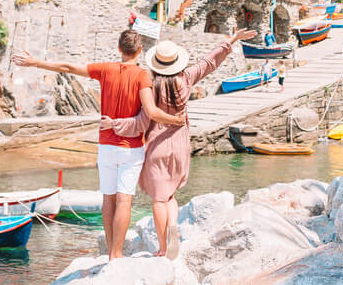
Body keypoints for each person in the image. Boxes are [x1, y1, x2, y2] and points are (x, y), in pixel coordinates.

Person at [13, 30, 184, 260]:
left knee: (108, 200)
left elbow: (68, 68)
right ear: (140, 50)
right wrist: (175, 121)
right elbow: (152, 112)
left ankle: (112, 251)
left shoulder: (105, 69)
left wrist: (36, 63)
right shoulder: (143, 76)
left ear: (119, 48)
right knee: (124, 200)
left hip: (106, 146)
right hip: (131, 148)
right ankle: (116, 253)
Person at [104, 28, 257, 259]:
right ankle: (173, 225)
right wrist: (232, 40)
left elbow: (141, 121)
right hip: (181, 146)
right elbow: (210, 61)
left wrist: (115, 125)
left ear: (155, 63)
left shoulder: (150, 86)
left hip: (157, 146)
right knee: (170, 196)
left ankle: (163, 247)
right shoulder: (187, 78)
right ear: (177, 62)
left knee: (158, 199)